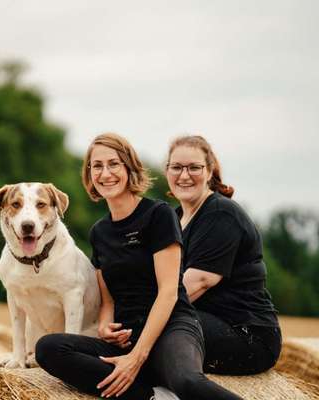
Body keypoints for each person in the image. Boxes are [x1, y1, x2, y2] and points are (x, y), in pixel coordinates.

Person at [36, 133, 242, 400]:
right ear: (89, 174)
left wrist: (136, 356)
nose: (105, 173)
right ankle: (150, 396)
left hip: (171, 327)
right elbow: (108, 299)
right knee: (49, 348)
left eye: (114, 164)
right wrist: (105, 327)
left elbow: (169, 292)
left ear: (129, 168)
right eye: (97, 166)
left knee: (187, 382)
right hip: (128, 336)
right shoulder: (99, 232)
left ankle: (156, 380)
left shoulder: (159, 215)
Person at [165, 135, 282, 375]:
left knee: (159, 327)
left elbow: (195, 284)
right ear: (167, 171)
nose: (184, 175)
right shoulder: (174, 219)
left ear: (210, 171)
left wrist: (140, 319)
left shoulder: (221, 214)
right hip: (205, 320)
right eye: (176, 167)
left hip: (247, 335)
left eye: (194, 167)